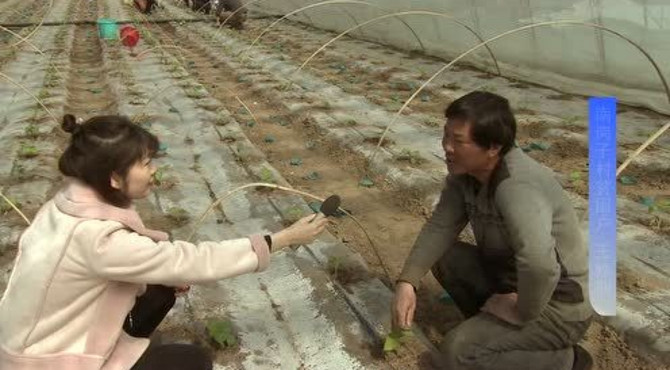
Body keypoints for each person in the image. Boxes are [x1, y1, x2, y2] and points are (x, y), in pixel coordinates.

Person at [0, 114, 328, 370]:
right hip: (47, 361)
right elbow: (195, 260)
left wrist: (157, 277)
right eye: (145, 163)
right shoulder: (98, 237)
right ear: (114, 178)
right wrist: (283, 238)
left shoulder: (62, 207)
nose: (154, 171)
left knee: (158, 291)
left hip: (23, 345)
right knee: (191, 361)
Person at [392, 91, 594, 370]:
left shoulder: (518, 187)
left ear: (493, 147)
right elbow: (441, 225)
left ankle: (564, 360)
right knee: (446, 256)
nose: (447, 147)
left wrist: (521, 311)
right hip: (515, 282)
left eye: (458, 141)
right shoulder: (464, 174)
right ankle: (494, 335)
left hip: (558, 306)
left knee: (456, 353)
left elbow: (540, 265)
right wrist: (407, 282)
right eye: (445, 136)